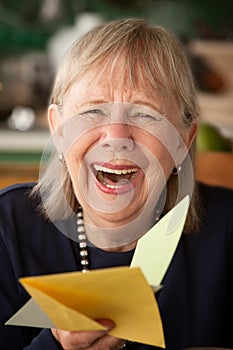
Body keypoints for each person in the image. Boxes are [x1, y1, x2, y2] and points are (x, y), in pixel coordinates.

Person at [0, 18, 233, 350]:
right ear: (59, 129)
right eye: (93, 110)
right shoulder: (6, 229)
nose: (116, 137)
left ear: (183, 139)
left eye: (145, 114)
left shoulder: (227, 228)